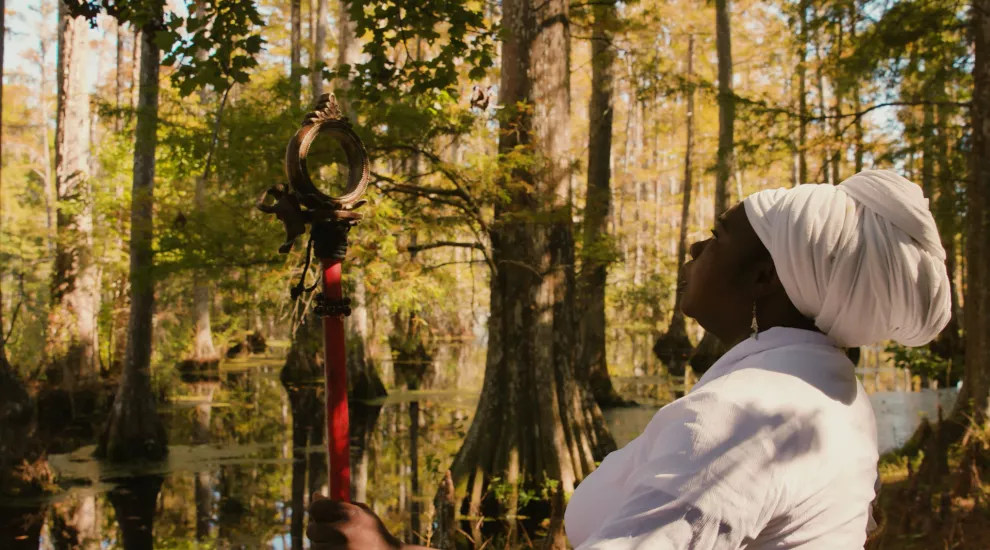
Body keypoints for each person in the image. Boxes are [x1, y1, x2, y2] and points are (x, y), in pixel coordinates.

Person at [307, 170, 951, 549]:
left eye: (719, 236)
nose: (696, 246)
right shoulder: (829, 398)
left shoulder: (747, 417)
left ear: (765, 279)